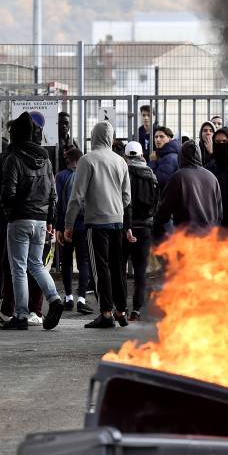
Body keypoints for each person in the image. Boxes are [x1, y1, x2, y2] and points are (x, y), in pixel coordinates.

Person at [65, 121, 134, 329]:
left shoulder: (87, 160)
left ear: (93, 136)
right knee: (118, 267)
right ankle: (121, 311)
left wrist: (69, 223)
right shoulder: (121, 161)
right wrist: (116, 210)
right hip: (117, 221)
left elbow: (76, 196)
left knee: (100, 268)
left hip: (96, 222)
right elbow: (127, 196)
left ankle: (106, 313)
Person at [0, 112, 65, 331]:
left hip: (19, 219)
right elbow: (53, 193)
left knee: (18, 268)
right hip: (40, 220)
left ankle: (20, 315)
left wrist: (7, 210)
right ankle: (54, 299)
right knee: (36, 264)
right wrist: (50, 219)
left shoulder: (14, 158)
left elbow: (8, 193)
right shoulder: (45, 160)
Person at [124, 141, 160, 321]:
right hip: (145, 227)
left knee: (119, 268)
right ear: (141, 155)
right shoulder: (151, 175)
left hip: (126, 226)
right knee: (140, 270)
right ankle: (137, 309)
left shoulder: (123, 173)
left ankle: (120, 307)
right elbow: (156, 201)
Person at [155, 140, 222, 235]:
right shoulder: (212, 177)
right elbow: (219, 213)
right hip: (209, 237)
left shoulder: (178, 177)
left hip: (186, 237)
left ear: (181, 156)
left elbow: (164, 210)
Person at [55, 147, 93, 315]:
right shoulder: (88, 175)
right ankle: (82, 299)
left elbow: (58, 204)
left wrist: (59, 227)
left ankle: (69, 297)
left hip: (66, 225)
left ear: (68, 160)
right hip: (84, 225)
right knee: (84, 262)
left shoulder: (61, 176)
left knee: (67, 262)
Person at [147, 126, 180, 194]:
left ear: (169, 139)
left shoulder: (170, 157)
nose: (158, 139)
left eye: (161, 136)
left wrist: (153, 161)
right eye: (156, 137)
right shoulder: (163, 154)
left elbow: (158, 180)